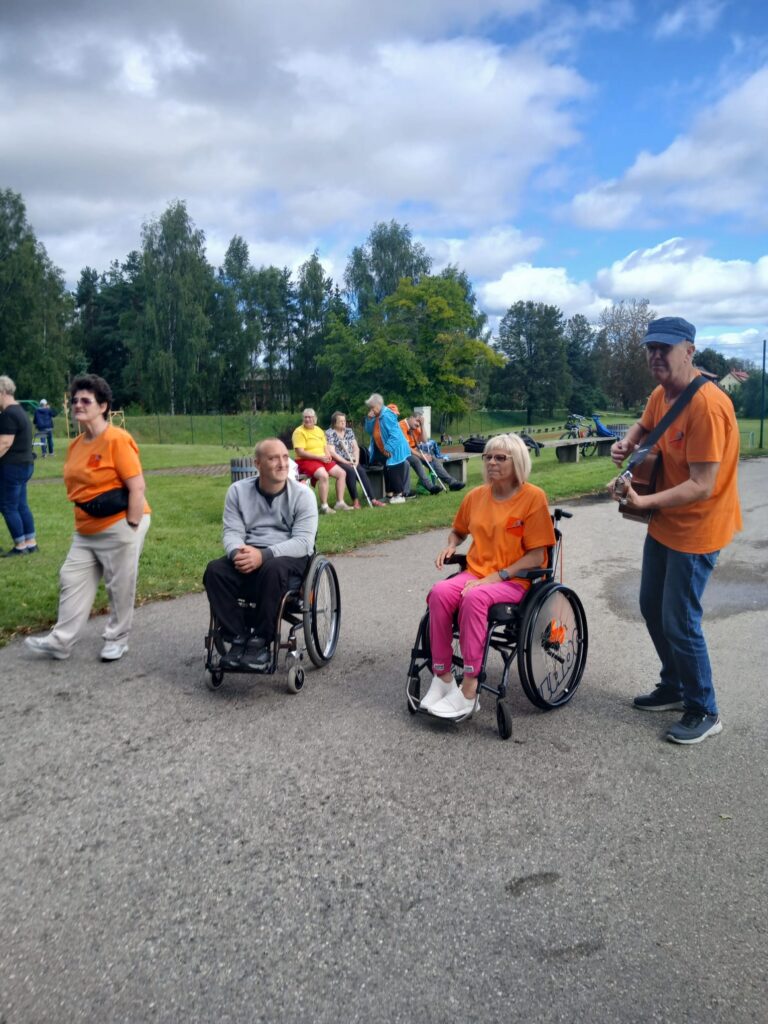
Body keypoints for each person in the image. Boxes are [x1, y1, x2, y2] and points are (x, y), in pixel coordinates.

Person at [608, 316, 742, 745]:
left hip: (699, 528)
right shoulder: (661, 393)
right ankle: (675, 685)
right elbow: (646, 425)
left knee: (680, 620)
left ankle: (704, 709)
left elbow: (702, 485)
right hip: (666, 522)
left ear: (689, 351)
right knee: (651, 606)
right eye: (650, 348)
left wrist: (644, 502)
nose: (655, 356)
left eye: (664, 348)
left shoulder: (708, 406)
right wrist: (627, 443)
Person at [422, 433, 555, 719]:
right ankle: (443, 677)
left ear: (517, 461)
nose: (492, 462)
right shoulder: (475, 496)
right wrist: (451, 545)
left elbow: (536, 556)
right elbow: (458, 530)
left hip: (515, 581)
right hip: (475, 573)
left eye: (500, 457)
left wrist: (495, 577)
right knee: (439, 592)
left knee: (474, 597)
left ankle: (470, 689)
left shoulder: (533, 497)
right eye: (488, 457)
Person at [25, 374, 150, 661]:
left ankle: (117, 639)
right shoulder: (76, 444)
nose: (78, 405)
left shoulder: (117, 439)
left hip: (120, 523)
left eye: (86, 400)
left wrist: (131, 527)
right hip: (86, 528)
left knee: (119, 585)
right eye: (75, 400)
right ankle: (61, 641)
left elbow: (137, 486)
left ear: (103, 406)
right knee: (71, 577)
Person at [203, 438, 318, 670]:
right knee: (215, 571)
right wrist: (238, 553)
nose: (282, 463)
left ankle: (262, 641)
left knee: (272, 569)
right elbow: (232, 532)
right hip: (250, 551)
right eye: (273, 458)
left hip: (288, 556)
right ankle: (237, 637)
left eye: (285, 457)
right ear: (257, 464)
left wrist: (263, 556)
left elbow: (303, 542)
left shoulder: (303, 495)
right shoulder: (238, 491)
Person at [0, 375, 38, 556]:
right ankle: (31, 542)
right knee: (21, 505)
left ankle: (20, 546)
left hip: (12, 466)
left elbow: (4, 443)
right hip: (25, 464)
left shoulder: (8, 414)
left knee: (8, 506)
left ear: (2, 392)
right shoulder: (20, 411)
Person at [292, 408, 350, 514]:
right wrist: (319, 457)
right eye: (305, 417)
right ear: (303, 419)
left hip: (321, 459)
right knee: (323, 475)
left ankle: (340, 503)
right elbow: (300, 452)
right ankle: (324, 506)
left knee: (341, 473)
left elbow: (325, 446)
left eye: (310, 417)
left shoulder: (319, 430)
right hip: (306, 460)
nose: (307, 419)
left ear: (315, 419)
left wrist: (328, 455)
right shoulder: (299, 432)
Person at [325, 412, 386, 508]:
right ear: (334, 423)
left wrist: (356, 461)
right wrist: (345, 462)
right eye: (340, 421)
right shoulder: (330, 433)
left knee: (361, 471)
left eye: (344, 421)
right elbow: (332, 452)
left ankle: (373, 499)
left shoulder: (349, 431)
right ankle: (356, 501)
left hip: (351, 459)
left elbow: (356, 448)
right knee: (350, 471)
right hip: (338, 460)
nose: (343, 423)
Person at [399, 412, 464, 494]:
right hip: (403, 452)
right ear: (411, 417)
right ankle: (430, 487)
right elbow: (406, 448)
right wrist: (421, 456)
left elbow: (425, 440)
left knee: (432, 458)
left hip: (414, 450)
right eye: (417, 421)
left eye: (420, 422)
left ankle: (452, 483)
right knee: (416, 460)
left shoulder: (416, 426)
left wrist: (422, 426)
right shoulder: (401, 426)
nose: (418, 424)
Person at [363, 394, 410, 504]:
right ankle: (389, 495)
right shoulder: (377, 416)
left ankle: (399, 495)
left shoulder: (387, 415)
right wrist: (369, 419)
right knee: (387, 470)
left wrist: (388, 448)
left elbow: (395, 434)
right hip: (384, 449)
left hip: (395, 448)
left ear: (378, 405)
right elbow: (370, 431)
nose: (371, 410)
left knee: (394, 470)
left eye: (372, 407)